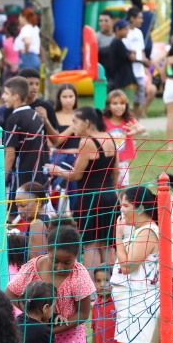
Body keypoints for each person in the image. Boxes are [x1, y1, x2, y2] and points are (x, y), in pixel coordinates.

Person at [47, 106, 118, 271]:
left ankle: (92, 289)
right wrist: (113, 192)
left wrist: (56, 170)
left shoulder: (85, 142)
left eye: (75, 122)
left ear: (86, 122)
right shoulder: (109, 137)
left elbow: (76, 175)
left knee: (89, 245)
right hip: (109, 196)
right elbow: (116, 171)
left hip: (90, 198)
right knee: (107, 244)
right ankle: (109, 287)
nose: (73, 127)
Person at [109, 186, 160, 343]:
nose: (122, 210)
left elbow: (128, 266)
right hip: (134, 303)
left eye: (126, 205)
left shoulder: (147, 232)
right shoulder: (141, 231)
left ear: (139, 207)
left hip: (141, 304)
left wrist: (118, 238)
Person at [92, 267, 124, 343]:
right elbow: (94, 327)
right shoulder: (96, 304)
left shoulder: (119, 301)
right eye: (98, 281)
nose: (102, 284)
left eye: (106, 280)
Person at [124, 7, 152, 116]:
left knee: (138, 102)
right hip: (129, 74)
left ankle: (136, 126)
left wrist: (145, 60)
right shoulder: (125, 32)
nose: (142, 20)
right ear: (132, 18)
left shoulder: (139, 32)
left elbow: (141, 50)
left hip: (139, 73)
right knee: (128, 103)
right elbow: (127, 52)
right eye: (140, 18)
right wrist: (140, 60)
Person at [108, 19, 137, 93]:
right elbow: (131, 58)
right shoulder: (118, 42)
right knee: (128, 103)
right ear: (117, 30)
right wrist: (133, 53)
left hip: (120, 80)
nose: (128, 31)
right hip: (125, 81)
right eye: (125, 29)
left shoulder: (115, 42)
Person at [96, 11, 116, 78]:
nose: (103, 23)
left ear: (112, 21)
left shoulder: (116, 35)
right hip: (104, 75)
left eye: (106, 21)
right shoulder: (96, 37)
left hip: (116, 73)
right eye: (101, 21)